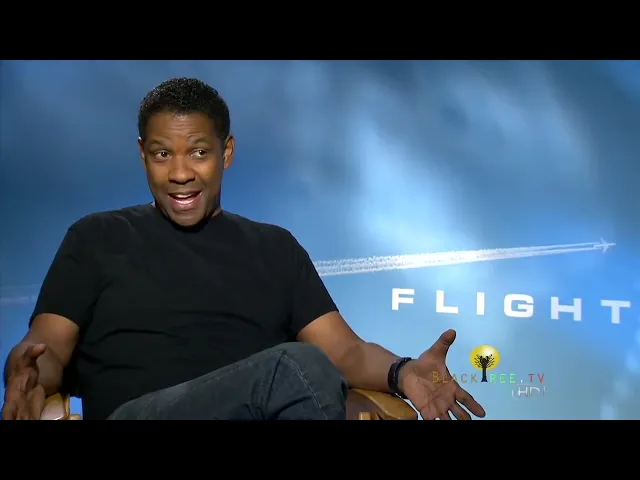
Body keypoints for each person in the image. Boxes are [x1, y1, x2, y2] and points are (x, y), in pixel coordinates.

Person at [1, 77, 486, 421]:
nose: (180, 173)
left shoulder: (275, 249)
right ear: (143, 155)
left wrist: (404, 373)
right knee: (297, 367)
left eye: (199, 152)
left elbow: (346, 351)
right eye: (162, 154)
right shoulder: (96, 238)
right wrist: (28, 376)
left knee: (305, 370)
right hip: (140, 414)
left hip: (263, 408)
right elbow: (47, 346)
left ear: (226, 153)